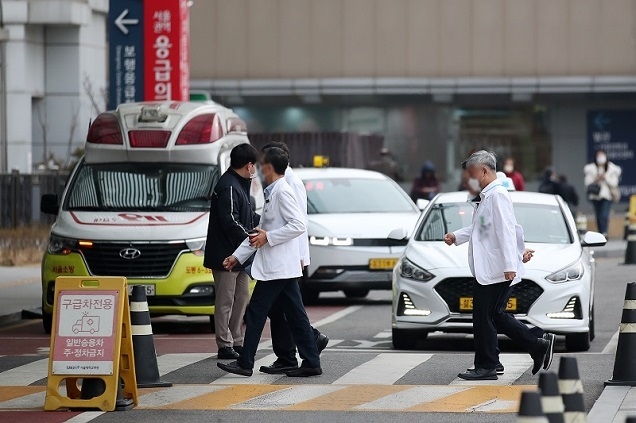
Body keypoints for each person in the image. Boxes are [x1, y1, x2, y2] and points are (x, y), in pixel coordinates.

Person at [443, 150, 554, 381]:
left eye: (472, 174)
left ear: (483, 171)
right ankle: (533, 344)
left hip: (496, 270)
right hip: (492, 269)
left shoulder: (497, 196)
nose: (469, 180)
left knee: (484, 317)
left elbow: (506, 231)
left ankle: (488, 365)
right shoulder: (487, 197)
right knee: (494, 316)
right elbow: (482, 229)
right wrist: (457, 236)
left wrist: (509, 263)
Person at [218, 147, 322, 378]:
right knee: (295, 316)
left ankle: (246, 363)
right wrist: (237, 256)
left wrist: (270, 237)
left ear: (268, 167)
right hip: (280, 267)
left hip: (278, 267)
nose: (257, 169)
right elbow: (260, 232)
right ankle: (312, 361)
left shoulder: (282, 191)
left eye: (260, 164)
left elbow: (298, 225)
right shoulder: (272, 192)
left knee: (255, 313)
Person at [258, 141, 329, 375]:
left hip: (290, 258)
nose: (262, 166)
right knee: (282, 311)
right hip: (280, 256)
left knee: (287, 311)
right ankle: (291, 354)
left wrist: (300, 257)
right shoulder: (277, 182)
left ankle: (301, 348)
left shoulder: (290, 182)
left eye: (265, 160)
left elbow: (299, 223)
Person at [203, 144, 260, 360]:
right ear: (248, 165)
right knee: (225, 301)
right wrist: (251, 238)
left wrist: (266, 224)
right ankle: (224, 344)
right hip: (226, 255)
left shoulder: (239, 184)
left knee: (241, 297)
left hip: (241, 255)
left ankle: (237, 340)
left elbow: (246, 216)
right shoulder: (228, 186)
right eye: (254, 165)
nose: (254, 169)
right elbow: (231, 221)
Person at [584, 150, 621, 237]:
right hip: (595, 195)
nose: (600, 158)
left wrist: (606, 177)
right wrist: (597, 179)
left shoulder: (612, 169)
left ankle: (604, 232)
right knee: (598, 215)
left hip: (607, 195)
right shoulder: (591, 169)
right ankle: (600, 232)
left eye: (602, 156)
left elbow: (614, 184)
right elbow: (587, 183)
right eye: (598, 156)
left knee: (604, 215)